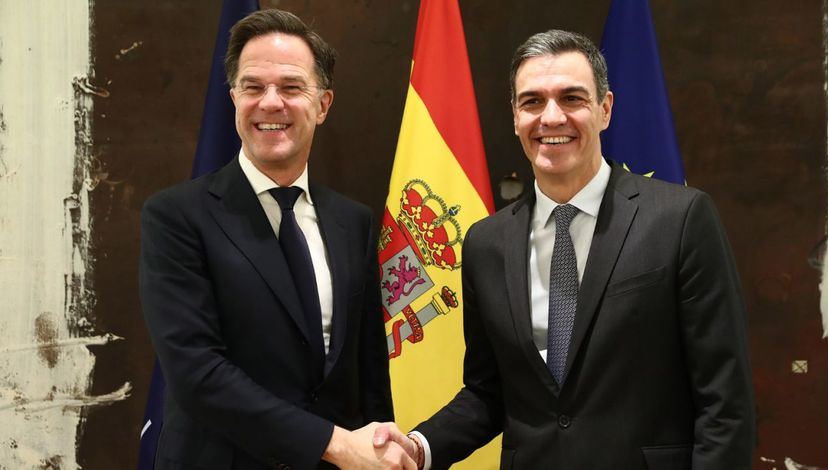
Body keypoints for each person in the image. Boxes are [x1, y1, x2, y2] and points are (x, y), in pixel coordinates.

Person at [374, 29, 755, 469]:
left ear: (605, 109)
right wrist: (419, 447)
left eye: (571, 98)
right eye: (532, 102)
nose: (551, 117)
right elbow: (488, 391)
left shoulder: (680, 219)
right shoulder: (486, 243)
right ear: (515, 116)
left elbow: (725, 402)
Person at [140, 9, 414, 470]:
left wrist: (379, 445)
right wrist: (334, 444)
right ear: (233, 99)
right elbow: (197, 373)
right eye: (253, 87)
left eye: (290, 87)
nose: (270, 103)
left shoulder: (354, 222)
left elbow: (368, 372)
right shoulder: (175, 217)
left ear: (322, 104)